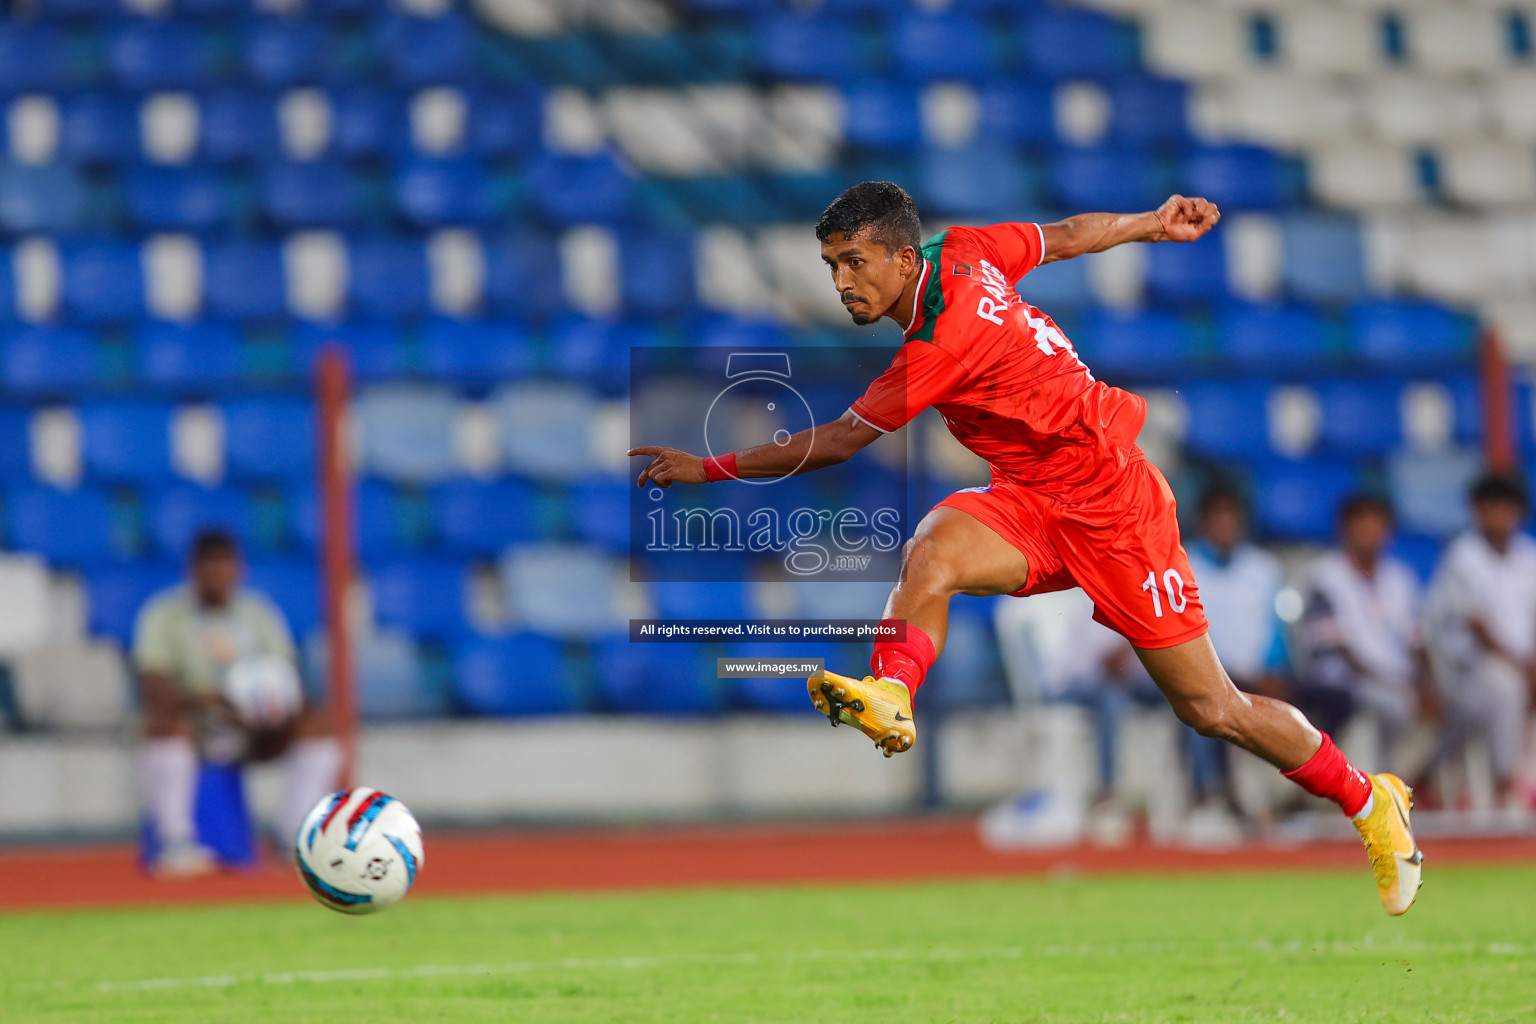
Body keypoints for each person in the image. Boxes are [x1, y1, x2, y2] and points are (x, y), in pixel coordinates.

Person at [629, 181, 1421, 915]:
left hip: (1116, 508)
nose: (842, 282)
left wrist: (712, 466)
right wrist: (1151, 221)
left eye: (854, 262)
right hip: (1033, 500)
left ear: (904, 259)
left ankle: (1368, 799)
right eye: (833, 264)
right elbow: (1068, 235)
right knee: (933, 548)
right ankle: (892, 694)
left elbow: (839, 441)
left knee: (1214, 709)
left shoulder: (941, 344)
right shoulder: (966, 249)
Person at [134, 529, 342, 876]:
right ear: (193, 569)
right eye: (210, 567)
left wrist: (268, 707)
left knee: (319, 726)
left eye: (226, 566)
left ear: (239, 570)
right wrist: (212, 700)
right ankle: (175, 841)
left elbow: (286, 673)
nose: (218, 576)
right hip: (197, 723)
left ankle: (292, 836)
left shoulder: (257, 614)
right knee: (162, 726)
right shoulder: (165, 614)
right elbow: (152, 684)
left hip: (254, 727)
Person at [1422, 474, 1536, 812]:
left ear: (1517, 512)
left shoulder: (1528, 556)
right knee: (1505, 687)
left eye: (1506, 508)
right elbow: (1478, 628)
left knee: (1511, 684)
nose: (1498, 516)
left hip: (1520, 663)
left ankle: (1522, 779)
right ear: (1476, 511)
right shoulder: (1462, 556)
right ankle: (1504, 785)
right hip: (1464, 672)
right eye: (1490, 508)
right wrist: (1524, 668)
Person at [1297, 495, 1429, 776]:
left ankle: (1413, 781)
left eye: (1376, 523)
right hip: (1344, 678)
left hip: (1396, 681)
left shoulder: (1400, 579)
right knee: (1393, 705)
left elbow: (1416, 641)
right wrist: (1391, 684)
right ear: (1344, 529)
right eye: (1360, 523)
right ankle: (1375, 784)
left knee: (1445, 703)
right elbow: (1336, 648)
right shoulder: (1324, 577)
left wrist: (1424, 682)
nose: (1369, 531)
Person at [1183, 487, 1290, 825]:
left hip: (1261, 675)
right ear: (1203, 522)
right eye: (1217, 517)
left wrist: (1275, 668)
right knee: (1203, 707)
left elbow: (1276, 630)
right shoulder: (1184, 565)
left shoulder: (1263, 568)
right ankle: (1212, 797)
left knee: (1335, 699)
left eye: (1231, 516)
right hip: (1211, 676)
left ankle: (1298, 795)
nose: (1225, 524)